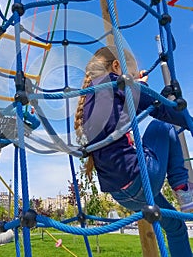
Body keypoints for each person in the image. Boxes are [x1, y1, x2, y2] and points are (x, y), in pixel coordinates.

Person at [74, 45, 193, 257]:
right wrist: (189, 122)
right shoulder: (117, 84)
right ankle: (183, 189)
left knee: (175, 227)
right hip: (139, 178)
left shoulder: (90, 98)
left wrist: (138, 87)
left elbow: (119, 116)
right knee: (161, 127)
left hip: (122, 194)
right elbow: (162, 111)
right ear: (116, 66)